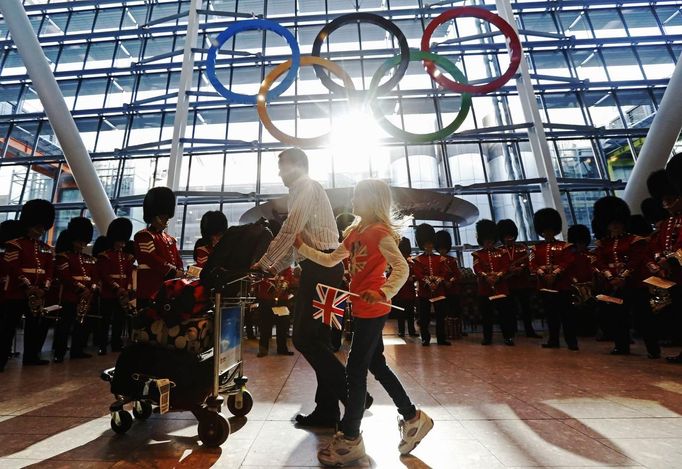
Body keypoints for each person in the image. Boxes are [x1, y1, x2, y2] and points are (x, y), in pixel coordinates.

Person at [294, 179, 433, 467]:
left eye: (358, 196)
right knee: (376, 365)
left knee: (355, 370)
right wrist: (302, 248)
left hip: (374, 308)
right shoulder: (355, 233)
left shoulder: (380, 233)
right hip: (360, 308)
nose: (353, 200)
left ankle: (350, 438)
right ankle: (412, 417)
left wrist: (382, 292)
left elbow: (402, 268)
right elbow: (332, 260)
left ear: (372, 201)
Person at [252, 148, 354, 428]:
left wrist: (263, 263)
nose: (279, 172)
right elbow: (295, 241)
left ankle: (353, 394)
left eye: (282, 165)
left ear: (296, 165)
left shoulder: (306, 187)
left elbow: (289, 230)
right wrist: (272, 267)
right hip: (326, 268)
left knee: (304, 339)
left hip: (321, 269)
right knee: (319, 341)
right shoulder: (302, 191)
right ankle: (327, 411)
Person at [1, 199, 55, 370]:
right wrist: (27, 286)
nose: (40, 231)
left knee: (34, 327)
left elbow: (49, 271)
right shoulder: (15, 245)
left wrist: (43, 289)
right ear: (29, 225)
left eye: (42, 227)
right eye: (37, 227)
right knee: (8, 328)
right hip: (17, 292)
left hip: (37, 294)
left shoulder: (45, 249)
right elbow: (13, 268)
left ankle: (31, 356)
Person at [592, 196, 647, 356]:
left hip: (633, 284)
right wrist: (611, 278)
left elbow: (635, 261)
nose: (615, 226)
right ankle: (621, 345)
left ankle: (652, 347)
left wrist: (622, 277)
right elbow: (600, 262)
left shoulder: (634, 240)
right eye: (611, 224)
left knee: (642, 315)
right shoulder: (604, 244)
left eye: (617, 223)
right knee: (617, 316)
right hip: (613, 284)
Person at [530, 208, 578, 351]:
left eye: (550, 230)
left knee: (567, 315)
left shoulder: (564, 246)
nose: (547, 233)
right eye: (545, 231)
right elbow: (532, 264)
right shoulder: (536, 248)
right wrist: (543, 274)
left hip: (562, 285)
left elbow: (568, 262)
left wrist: (555, 273)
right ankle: (553, 339)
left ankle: (572, 341)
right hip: (546, 285)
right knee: (551, 315)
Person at [54, 217, 100, 362]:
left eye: (83, 242)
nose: (81, 245)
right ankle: (59, 353)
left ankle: (77, 350)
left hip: (86, 297)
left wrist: (91, 289)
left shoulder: (89, 259)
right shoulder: (64, 257)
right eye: (79, 241)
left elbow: (94, 278)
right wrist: (82, 289)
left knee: (82, 325)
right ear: (73, 240)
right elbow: (65, 277)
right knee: (65, 325)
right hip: (71, 295)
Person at [134, 187, 183, 310]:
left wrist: (180, 270)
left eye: (167, 217)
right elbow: (151, 258)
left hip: (168, 287)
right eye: (162, 217)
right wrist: (173, 271)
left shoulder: (169, 238)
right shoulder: (144, 236)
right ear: (153, 216)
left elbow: (177, 258)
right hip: (150, 286)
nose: (166, 220)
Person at [472, 220, 514, 346]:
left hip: (500, 287)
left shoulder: (502, 253)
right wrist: (486, 276)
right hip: (485, 289)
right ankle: (487, 337)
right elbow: (477, 268)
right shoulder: (477, 254)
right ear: (482, 241)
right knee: (486, 315)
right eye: (486, 240)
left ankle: (508, 337)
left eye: (490, 240)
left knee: (504, 315)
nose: (488, 243)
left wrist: (498, 275)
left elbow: (506, 267)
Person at [96, 217, 135, 355]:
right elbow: (105, 275)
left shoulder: (127, 257)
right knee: (105, 321)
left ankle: (116, 343)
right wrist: (117, 288)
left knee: (119, 320)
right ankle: (102, 345)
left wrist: (127, 289)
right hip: (109, 292)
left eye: (122, 241)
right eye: (119, 241)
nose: (121, 244)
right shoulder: (105, 256)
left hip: (122, 293)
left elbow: (129, 275)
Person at [256, 219, 294, 357]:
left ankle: (282, 348)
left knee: (282, 323)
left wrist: (283, 286)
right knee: (265, 323)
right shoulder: (263, 248)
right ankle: (263, 348)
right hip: (266, 294)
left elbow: (288, 271)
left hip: (281, 294)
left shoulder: (282, 248)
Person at [497, 219, 539, 338]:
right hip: (508, 283)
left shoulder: (522, 247)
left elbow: (528, 260)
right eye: (506, 236)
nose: (509, 239)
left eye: (511, 236)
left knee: (526, 309)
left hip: (522, 282)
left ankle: (529, 330)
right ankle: (511, 331)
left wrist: (521, 267)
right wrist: (510, 270)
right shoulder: (500, 250)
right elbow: (499, 264)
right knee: (509, 310)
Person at [413, 223, 450, 346]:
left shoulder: (440, 259)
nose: (429, 246)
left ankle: (441, 338)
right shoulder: (418, 260)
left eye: (430, 244)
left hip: (439, 291)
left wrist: (437, 281)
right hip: (424, 292)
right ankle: (425, 338)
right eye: (426, 244)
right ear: (422, 245)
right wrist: (429, 283)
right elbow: (418, 274)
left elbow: (444, 272)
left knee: (441, 317)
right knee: (424, 318)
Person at [435, 230, 462, 333]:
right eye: (441, 248)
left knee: (455, 310)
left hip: (453, 288)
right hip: (441, 289)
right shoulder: (436, 260)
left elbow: (457, 274)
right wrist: (444, 281)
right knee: (443, 312)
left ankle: (456, 330)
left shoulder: (452, 260)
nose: (442, 250)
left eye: (444, 248)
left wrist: (450, 281)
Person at [393, 237, 418, 338]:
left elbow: (417, 274)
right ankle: (401, 331)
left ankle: (411, 331)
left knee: (410, 313)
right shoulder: (397, 260)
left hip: (409, 290)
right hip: (400, 290)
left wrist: (413, 278)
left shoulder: (411, 261)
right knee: (401, 313)